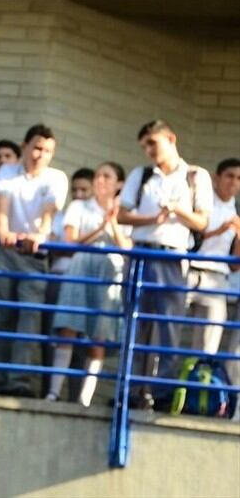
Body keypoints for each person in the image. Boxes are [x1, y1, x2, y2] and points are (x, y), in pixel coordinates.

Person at [118, 120, 212, 409]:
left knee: (169, 326)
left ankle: (162, 393)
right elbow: (121, 214)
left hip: (172, 256)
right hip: (141, 252)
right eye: (144, 146)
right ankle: (132, 391)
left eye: (153, 143)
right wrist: (152, 219)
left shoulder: (195, 175)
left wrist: (177, 210)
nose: (149, 150)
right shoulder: (141, 174)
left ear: (171, 138)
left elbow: (202, 221)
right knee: (135, 324)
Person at [0, 124, 68, 397]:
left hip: (34, 256)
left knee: (29, 317)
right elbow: (1, 204)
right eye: (36, 148)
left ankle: (19, 381)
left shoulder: (56, 177)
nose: (40, 155)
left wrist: (40, 234)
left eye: (47, 151)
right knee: (1, 316)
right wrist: (3, 230)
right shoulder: (7, 171)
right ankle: (1, 381)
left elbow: (49, 212)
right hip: (5, 252)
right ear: (24, 146)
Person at [46, 162, 132, 406]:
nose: (100, 180)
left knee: (99, 335)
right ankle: (54, 391)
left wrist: (113, 223)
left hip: (109, 271)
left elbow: (127, 248)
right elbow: (70, 241)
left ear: (119, 184)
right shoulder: (79, 206)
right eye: (98, 175)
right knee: (68, 327)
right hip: (81, 266)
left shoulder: (126, 212)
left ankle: (85, 398)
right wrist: (99, 228)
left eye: (107, 176)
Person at [186, 158, 240, 355]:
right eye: (229, 176)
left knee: (208, 344)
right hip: (188, 271)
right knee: (167, 329)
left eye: (239, 178)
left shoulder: (237, 210)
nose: (233, 182)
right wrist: (220, 230)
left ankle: (197, 374)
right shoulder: (201, 201)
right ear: (217, 178)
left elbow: (235, 265)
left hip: (217, 278)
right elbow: (190, 238)